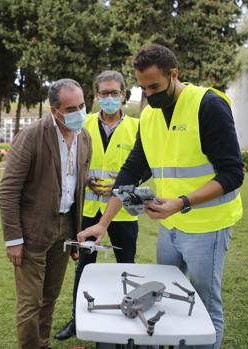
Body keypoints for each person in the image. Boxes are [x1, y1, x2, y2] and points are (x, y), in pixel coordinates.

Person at [78, 44, 244, 349]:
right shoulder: (150, 116)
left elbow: (233, 174)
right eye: (142, 88)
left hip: (208, 227)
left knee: (205, 305)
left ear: (174, 74)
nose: (149, 95)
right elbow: (131, 172)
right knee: (164, 294)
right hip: (171, 229)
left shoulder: (208, 105)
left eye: (154, 86)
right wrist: (103, 224)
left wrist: (181, 203)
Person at [55, 71, 149, 341]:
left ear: (124, 95)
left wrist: (123, 183)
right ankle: (77, 318)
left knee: (126, 266)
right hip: (86, 212)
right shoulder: (82, 124)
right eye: (104, 93)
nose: (109, 98)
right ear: (95, 96)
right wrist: (84, 179)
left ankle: (127, 318)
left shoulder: (138, 126)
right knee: (84, 267)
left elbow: (148, 166)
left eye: (114, 93)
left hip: (123, 213)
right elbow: (68, 161)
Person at [0, 78, 92, 349]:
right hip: (32, 233)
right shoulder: (32, 136)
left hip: (64, 230)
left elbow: (76, 189)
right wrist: (14, 239)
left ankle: (42, 344)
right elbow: (8, 191)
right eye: (71, 109)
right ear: (54, 110)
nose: (78, 113)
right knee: (31, 303)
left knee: (50, 297)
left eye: (82, 106)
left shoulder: (84, 137)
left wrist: (74, 234)